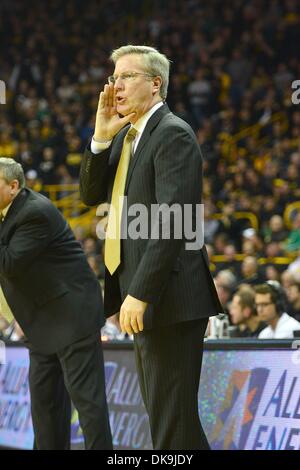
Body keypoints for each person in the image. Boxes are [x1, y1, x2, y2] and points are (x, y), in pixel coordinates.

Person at [80, 44, 222, 450]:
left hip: (168, 298)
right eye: (113, 77)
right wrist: (101, 138)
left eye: (126, 76)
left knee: (171, 424)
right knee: (173, 421)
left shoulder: (172, 133)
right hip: (148, 295)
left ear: (155, 84)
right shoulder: (128, 136)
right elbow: (90, 194)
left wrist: (140, 292)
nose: (115, 86)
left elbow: (173, 224)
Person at [0, 158, 112, 450]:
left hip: (72, 318)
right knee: (45, 407)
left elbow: (9, 263)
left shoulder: (34, 212)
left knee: (88, 405)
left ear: (13, 186)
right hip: (43, 323)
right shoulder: (9, 213)